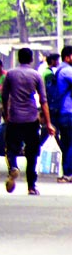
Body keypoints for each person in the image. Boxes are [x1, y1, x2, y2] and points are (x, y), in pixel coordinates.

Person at [1, 47, 55, 195]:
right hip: (31, 119)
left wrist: (6, 114)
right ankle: (31, 186)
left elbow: (4, 97)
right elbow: (43, 101)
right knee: (32, 153)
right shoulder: (36, 75)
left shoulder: (10, 74)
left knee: (11, 148)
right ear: (31, 59)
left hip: (14, 118)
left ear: (18, 58)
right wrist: (48, 123)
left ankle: (13, 167)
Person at [54, 46, 72, 182]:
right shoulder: (67, 70)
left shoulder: (60, 70)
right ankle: (68, 173)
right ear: (67, 57)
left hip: (62, 112)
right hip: (69, 112)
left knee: (66, 143)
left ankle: (66, 171)